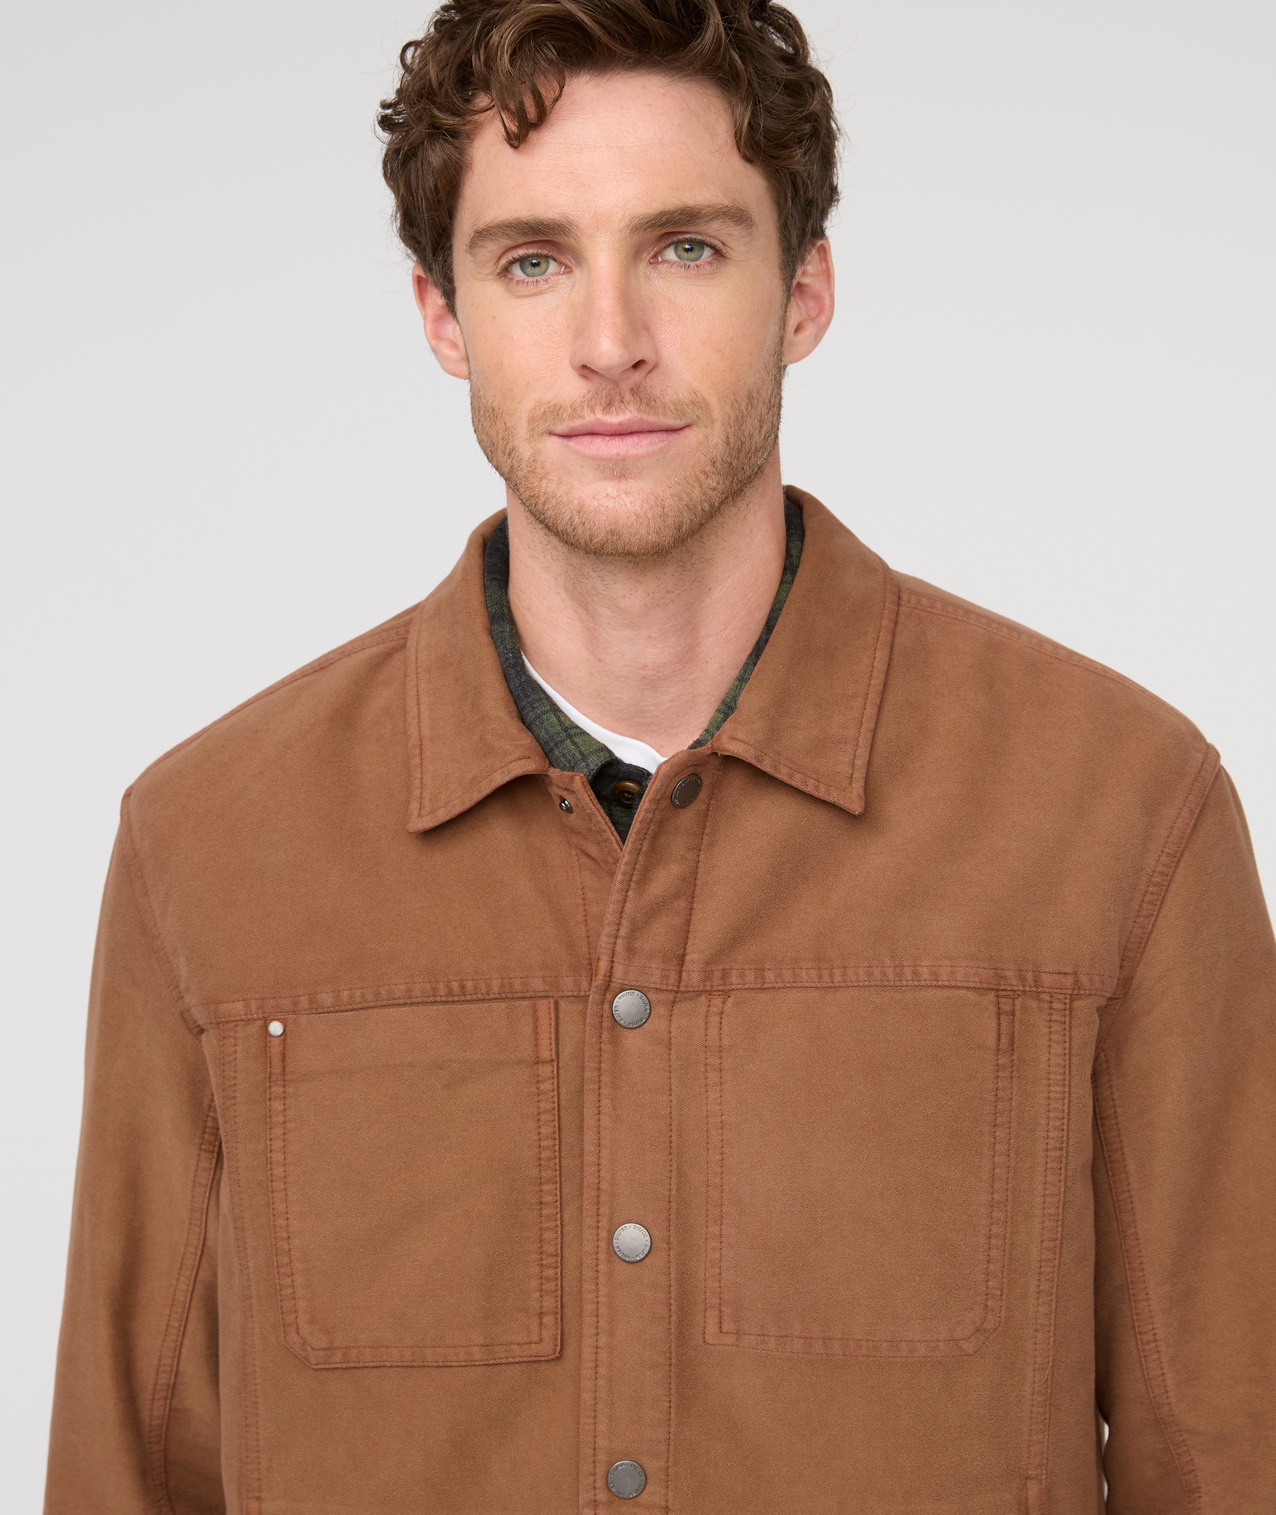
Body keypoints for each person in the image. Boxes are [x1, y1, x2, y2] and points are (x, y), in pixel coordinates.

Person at [44, 1, 1274, 1510]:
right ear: (442, 315)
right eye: (532, 260)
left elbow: (1234, 1458)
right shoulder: (209, 847)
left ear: (803, 292)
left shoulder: (1122, 815)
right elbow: (129, 1470)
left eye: (686, 248)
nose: (611, 342)